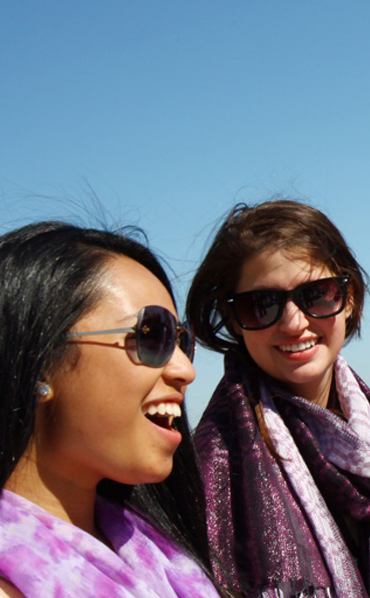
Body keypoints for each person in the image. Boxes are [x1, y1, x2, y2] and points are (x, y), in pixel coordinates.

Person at [187, 201, 370, 597]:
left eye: (318, 294)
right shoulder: (209, 471)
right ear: (234, 321)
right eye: (261, 305)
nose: (294, 322)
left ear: (351, 298)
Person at [0, 222, 219, 596]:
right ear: (39, 361)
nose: (186, 370)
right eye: (152, 335)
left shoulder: (162, 557)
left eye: (183, 342)